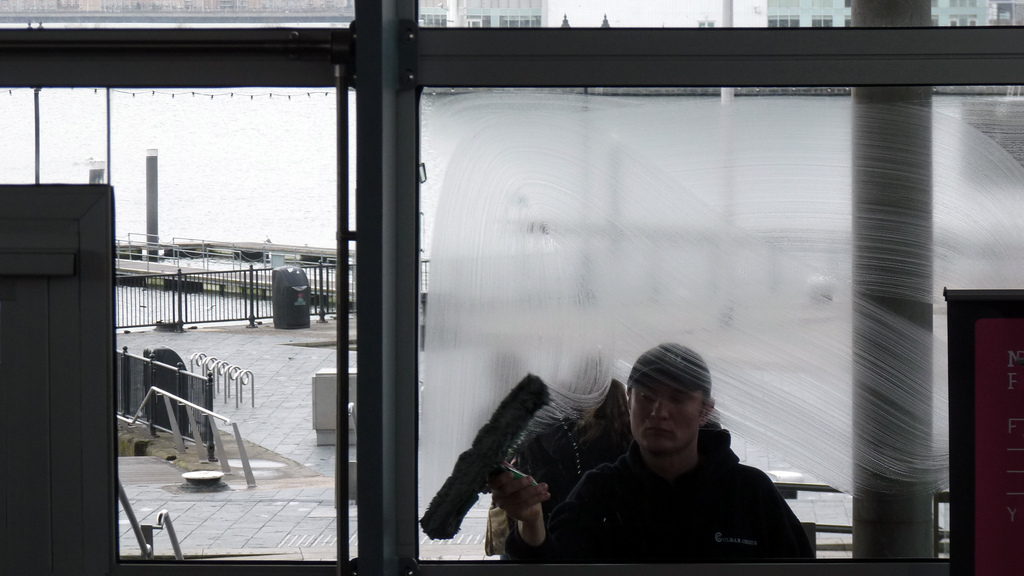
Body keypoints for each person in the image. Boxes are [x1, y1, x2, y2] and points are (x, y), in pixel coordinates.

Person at [488, 343, 814, 561]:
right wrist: (530, 522)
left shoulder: (751, 493)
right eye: (646, 395)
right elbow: (553, 568)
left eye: (678, 397)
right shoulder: (600, 492)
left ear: (705, 410)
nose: (659, 411)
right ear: (628, 401)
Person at [513, 378, 633, 525]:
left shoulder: (587, 434)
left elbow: (561, 450)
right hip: (614, 508)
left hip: (575, 501)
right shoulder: (630, 434)